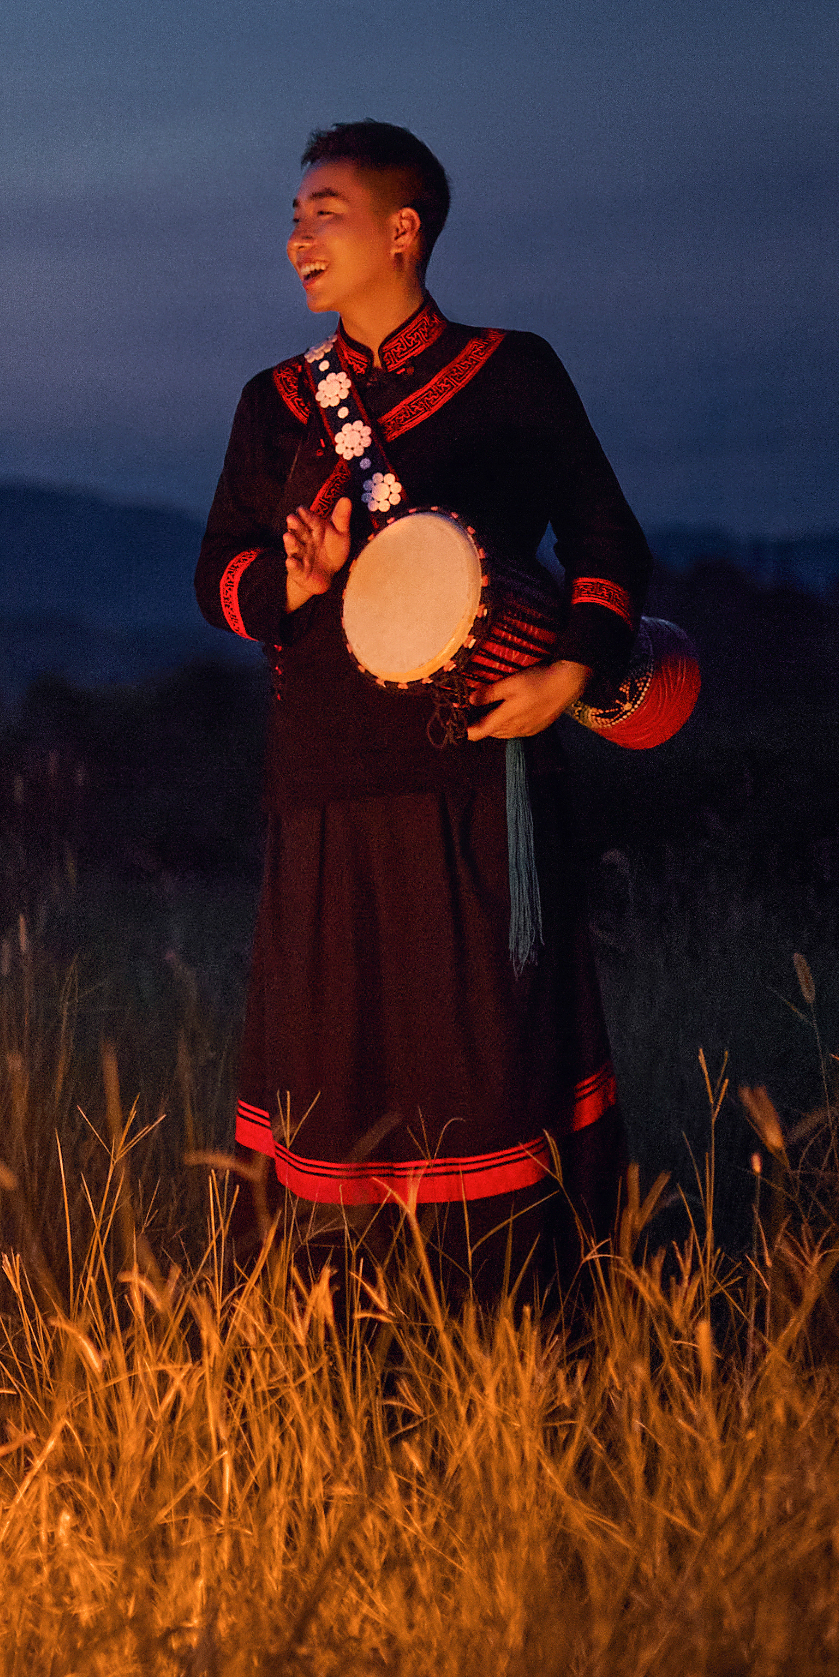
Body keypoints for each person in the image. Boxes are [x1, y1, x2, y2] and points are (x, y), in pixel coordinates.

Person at [192, 121, 648, 1290]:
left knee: (483, 1053)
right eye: (294, 215)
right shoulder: (276, 402)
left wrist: (569, 672)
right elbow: (219, 578)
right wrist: (296, 577)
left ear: (403, 230)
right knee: (333, 1057)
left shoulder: (512, 371)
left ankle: (519, 1319)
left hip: (476, 772)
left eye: (325, 211)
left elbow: (605, 539)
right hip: (328, 780)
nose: (298, 236)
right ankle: (327, 1328)